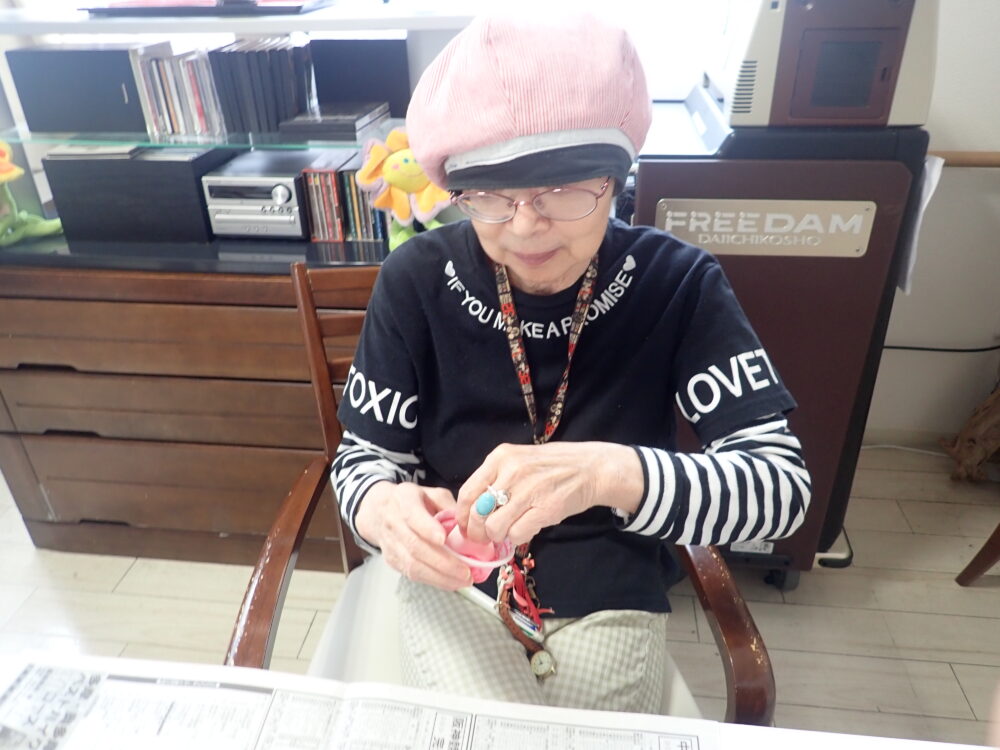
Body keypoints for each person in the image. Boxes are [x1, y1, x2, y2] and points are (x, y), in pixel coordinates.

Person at [331, 12, 812, 713]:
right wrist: (382, 508)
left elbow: (780, 490)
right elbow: (362, 459)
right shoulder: (416, 280)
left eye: (563, 188)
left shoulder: (677, 283)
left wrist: (610, 474)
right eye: (490, 195)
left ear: (618, 178)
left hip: (612, 591)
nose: (527, 225)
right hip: (460, 582)